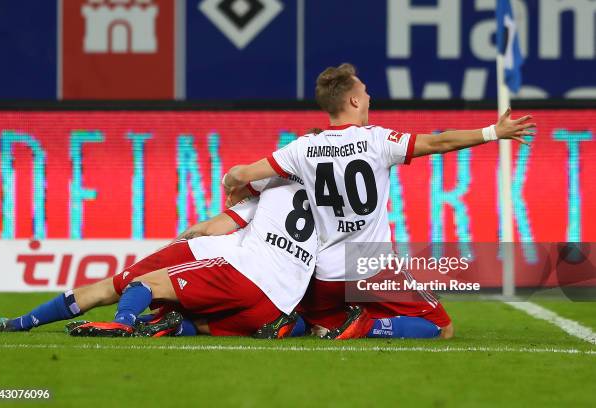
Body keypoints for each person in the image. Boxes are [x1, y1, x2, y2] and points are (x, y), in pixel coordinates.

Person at [222, 63, 536, 339]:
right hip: (373, 268)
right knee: (442, 329)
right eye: (366, 90)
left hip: (324, 275)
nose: (370, 96)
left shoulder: (303, 148)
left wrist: (232, 185)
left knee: (305, 316)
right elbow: (440, 141)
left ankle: (323, 321)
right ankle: (369, 327)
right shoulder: (377, 141)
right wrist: (493, 132)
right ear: (354, 99)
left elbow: (243, 173)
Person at [65, 176, 318, 338]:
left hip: (230, 267)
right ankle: (167, 325)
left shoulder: (272, 188)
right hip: (279, 300)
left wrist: (235, 183)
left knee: (142, 284)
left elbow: (209, 226)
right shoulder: (331, 208)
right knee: (202, 324)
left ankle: (124, 322)